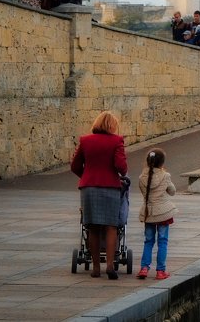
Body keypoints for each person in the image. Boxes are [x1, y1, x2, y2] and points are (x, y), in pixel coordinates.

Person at [70, 110, 128, 280]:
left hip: (89, 188)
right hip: (110, 186)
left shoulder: (85, 140)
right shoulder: (117, 141)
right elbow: (121, 167)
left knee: (92, 227)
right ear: (112, 126)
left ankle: (96, 268)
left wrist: (87, 176)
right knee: (111, 227)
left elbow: (74, 166)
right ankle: (109, 265)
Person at [137, 148, 176, 281]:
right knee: (162, 242)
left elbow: (144, 193)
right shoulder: (165, 176)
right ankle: (160, 271)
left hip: (149, 213)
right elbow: (172, 191)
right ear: (162, 163)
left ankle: (144, 268)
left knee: (148, 241)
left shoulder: (142, 177)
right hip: (163, 213)